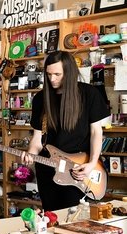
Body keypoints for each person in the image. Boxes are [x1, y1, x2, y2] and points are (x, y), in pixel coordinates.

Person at [21, 51, 110, 211]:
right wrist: (30, 155)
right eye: (48, 74)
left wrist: (91, 163)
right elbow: (37, 139)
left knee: (74, 219)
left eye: (57, 74)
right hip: (48, 168)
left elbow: (97, 133)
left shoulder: (89, 94)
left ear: (69, 73)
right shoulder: (41, 99)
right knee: (51, 217)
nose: (52, 79)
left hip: (77, 167)